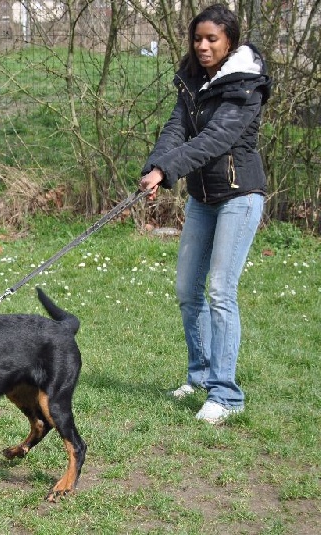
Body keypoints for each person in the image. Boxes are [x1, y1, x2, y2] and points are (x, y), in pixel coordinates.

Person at [139, 4, 270, 424]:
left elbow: (215, 139)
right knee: (186, 290)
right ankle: (199, 376)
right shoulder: (193, 80)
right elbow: (176, 129)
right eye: (198, 38)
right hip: (202, 197)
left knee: (219, 291)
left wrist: (168, 168)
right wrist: (154, 169)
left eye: (212, 38)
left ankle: (226, 394)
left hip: (239, 194)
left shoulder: (245, 85)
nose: (203, 46)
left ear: (230, 39)